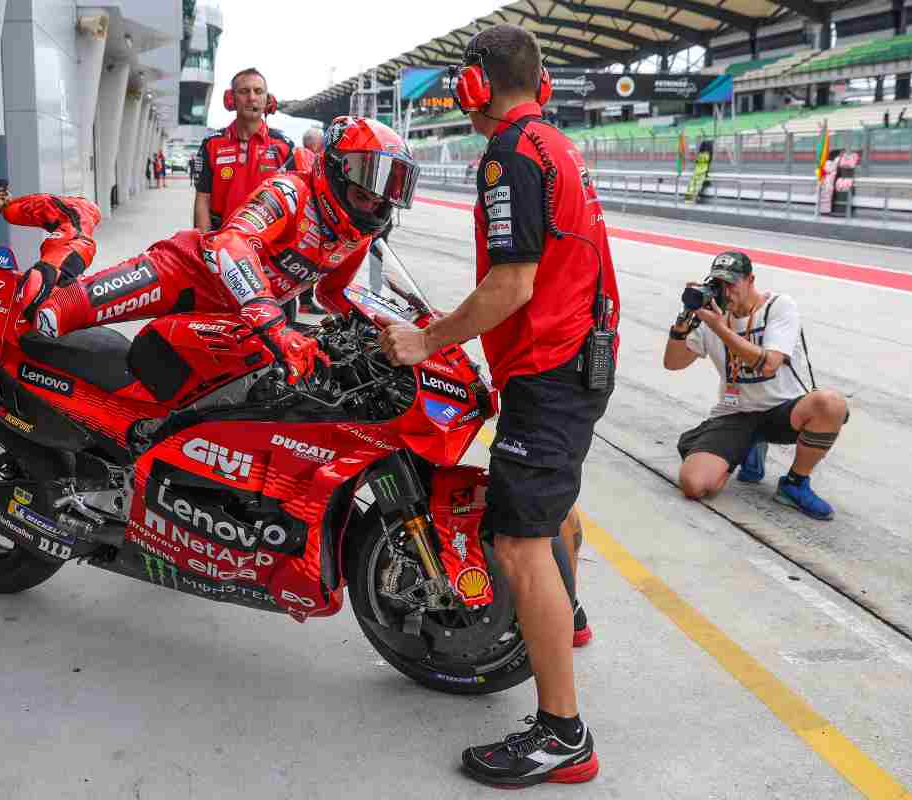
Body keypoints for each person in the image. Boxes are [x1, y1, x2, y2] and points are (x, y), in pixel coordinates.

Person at [378, 24, 617, 789]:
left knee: (517, 543)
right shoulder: (556, 144)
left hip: (551, 370)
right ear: (541, 83)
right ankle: (567, 619)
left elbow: (512, 284)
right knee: (549, 508)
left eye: (463, 86)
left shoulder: (509, 154)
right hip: (576, 360)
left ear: (475, 87)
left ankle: (562, 736)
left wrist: (427, 339)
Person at [14, 116, 418, 386]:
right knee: (49, 315)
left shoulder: (355, 237)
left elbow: (334, 296)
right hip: (184, 274)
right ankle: (74, 226)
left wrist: (392, 326)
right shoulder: (290, 194)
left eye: (382, 198)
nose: (375, 205)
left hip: (236, 319)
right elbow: (229, 242)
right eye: (364, 193)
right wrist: (273, 320)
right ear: (334, 169)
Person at [664, 251, 848, 520]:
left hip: (784, 410)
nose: (725, 291)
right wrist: (683, 323)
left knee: (831, 403)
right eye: (718, 284)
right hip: (736, 413)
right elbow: (673, 363)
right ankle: (745, 445)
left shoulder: (778, 307)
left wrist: (720, 329)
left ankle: (795, 484)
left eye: (731, 283)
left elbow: (770, 364)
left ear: (751, 280)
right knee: (694, 485)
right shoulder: (711, 317)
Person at [193, 68, 294, 232]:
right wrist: (205, 247)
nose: (252, 97)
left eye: (258, 91)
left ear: (268, 100)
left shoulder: (284, 146)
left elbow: (294, 203)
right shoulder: (212, 144)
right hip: (221, 242)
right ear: (231, 99)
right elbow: (203, 198)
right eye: (244, 91)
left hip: (268, 247)